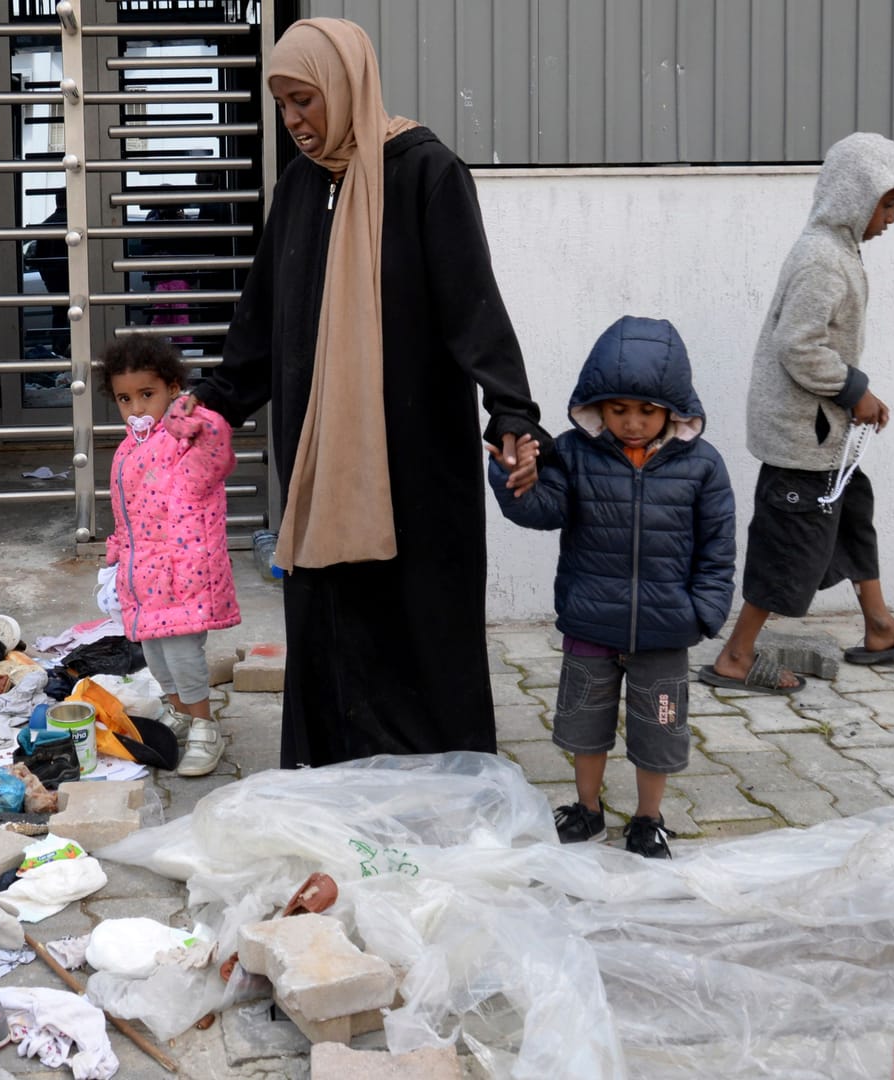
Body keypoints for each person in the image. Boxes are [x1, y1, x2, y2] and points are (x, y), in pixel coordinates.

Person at [184, 17, 548, 769]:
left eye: (307, 102)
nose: (296, 123)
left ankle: (435, 766)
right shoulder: (298, 185)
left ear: (347, 87)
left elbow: (473, 305)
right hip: (320, 446)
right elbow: (264, 313)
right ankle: (335, 758)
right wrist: (215, 399)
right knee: (330, 603)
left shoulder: (424, 173)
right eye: (283, 106)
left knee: (415, 605)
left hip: (410, 450)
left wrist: (511, 411)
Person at [699, 132, 894, 695]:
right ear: (852, 197)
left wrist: (852, 396)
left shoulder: (837, 251)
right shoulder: (822, 259)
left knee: (852, 513)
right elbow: (799, 346)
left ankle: (881, 626)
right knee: (790, 542)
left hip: (824, 434)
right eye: (886, 204)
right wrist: (853, 390)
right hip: (801, 437)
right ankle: (735, 658)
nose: (891, 218)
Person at [490, 317, 735, 858]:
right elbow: (542, 509)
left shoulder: (703, 466)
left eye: (646, 411)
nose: (631, 422)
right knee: (583, 726)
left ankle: (649, 819)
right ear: (596, 404)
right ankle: (588, 811)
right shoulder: (574, 457)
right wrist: (513, 479)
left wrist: (704, 611)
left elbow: (718, 545)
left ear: (673, 406)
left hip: (665, 632)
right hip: (589, 625)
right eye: (618, 409)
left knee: (659, 732)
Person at [100, 337, 238, 777]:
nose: (136, 406)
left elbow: (219, 453)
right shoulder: (127, 450)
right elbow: (126, 512)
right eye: (125, 398)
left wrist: (198, 419)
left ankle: (204, 724)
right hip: (144, 577)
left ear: (174, 389)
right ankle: (178, 710)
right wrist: (117, 552)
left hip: (185, 577)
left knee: (183, 655)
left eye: (147, 394)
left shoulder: (187, 443)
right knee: (156, 655)